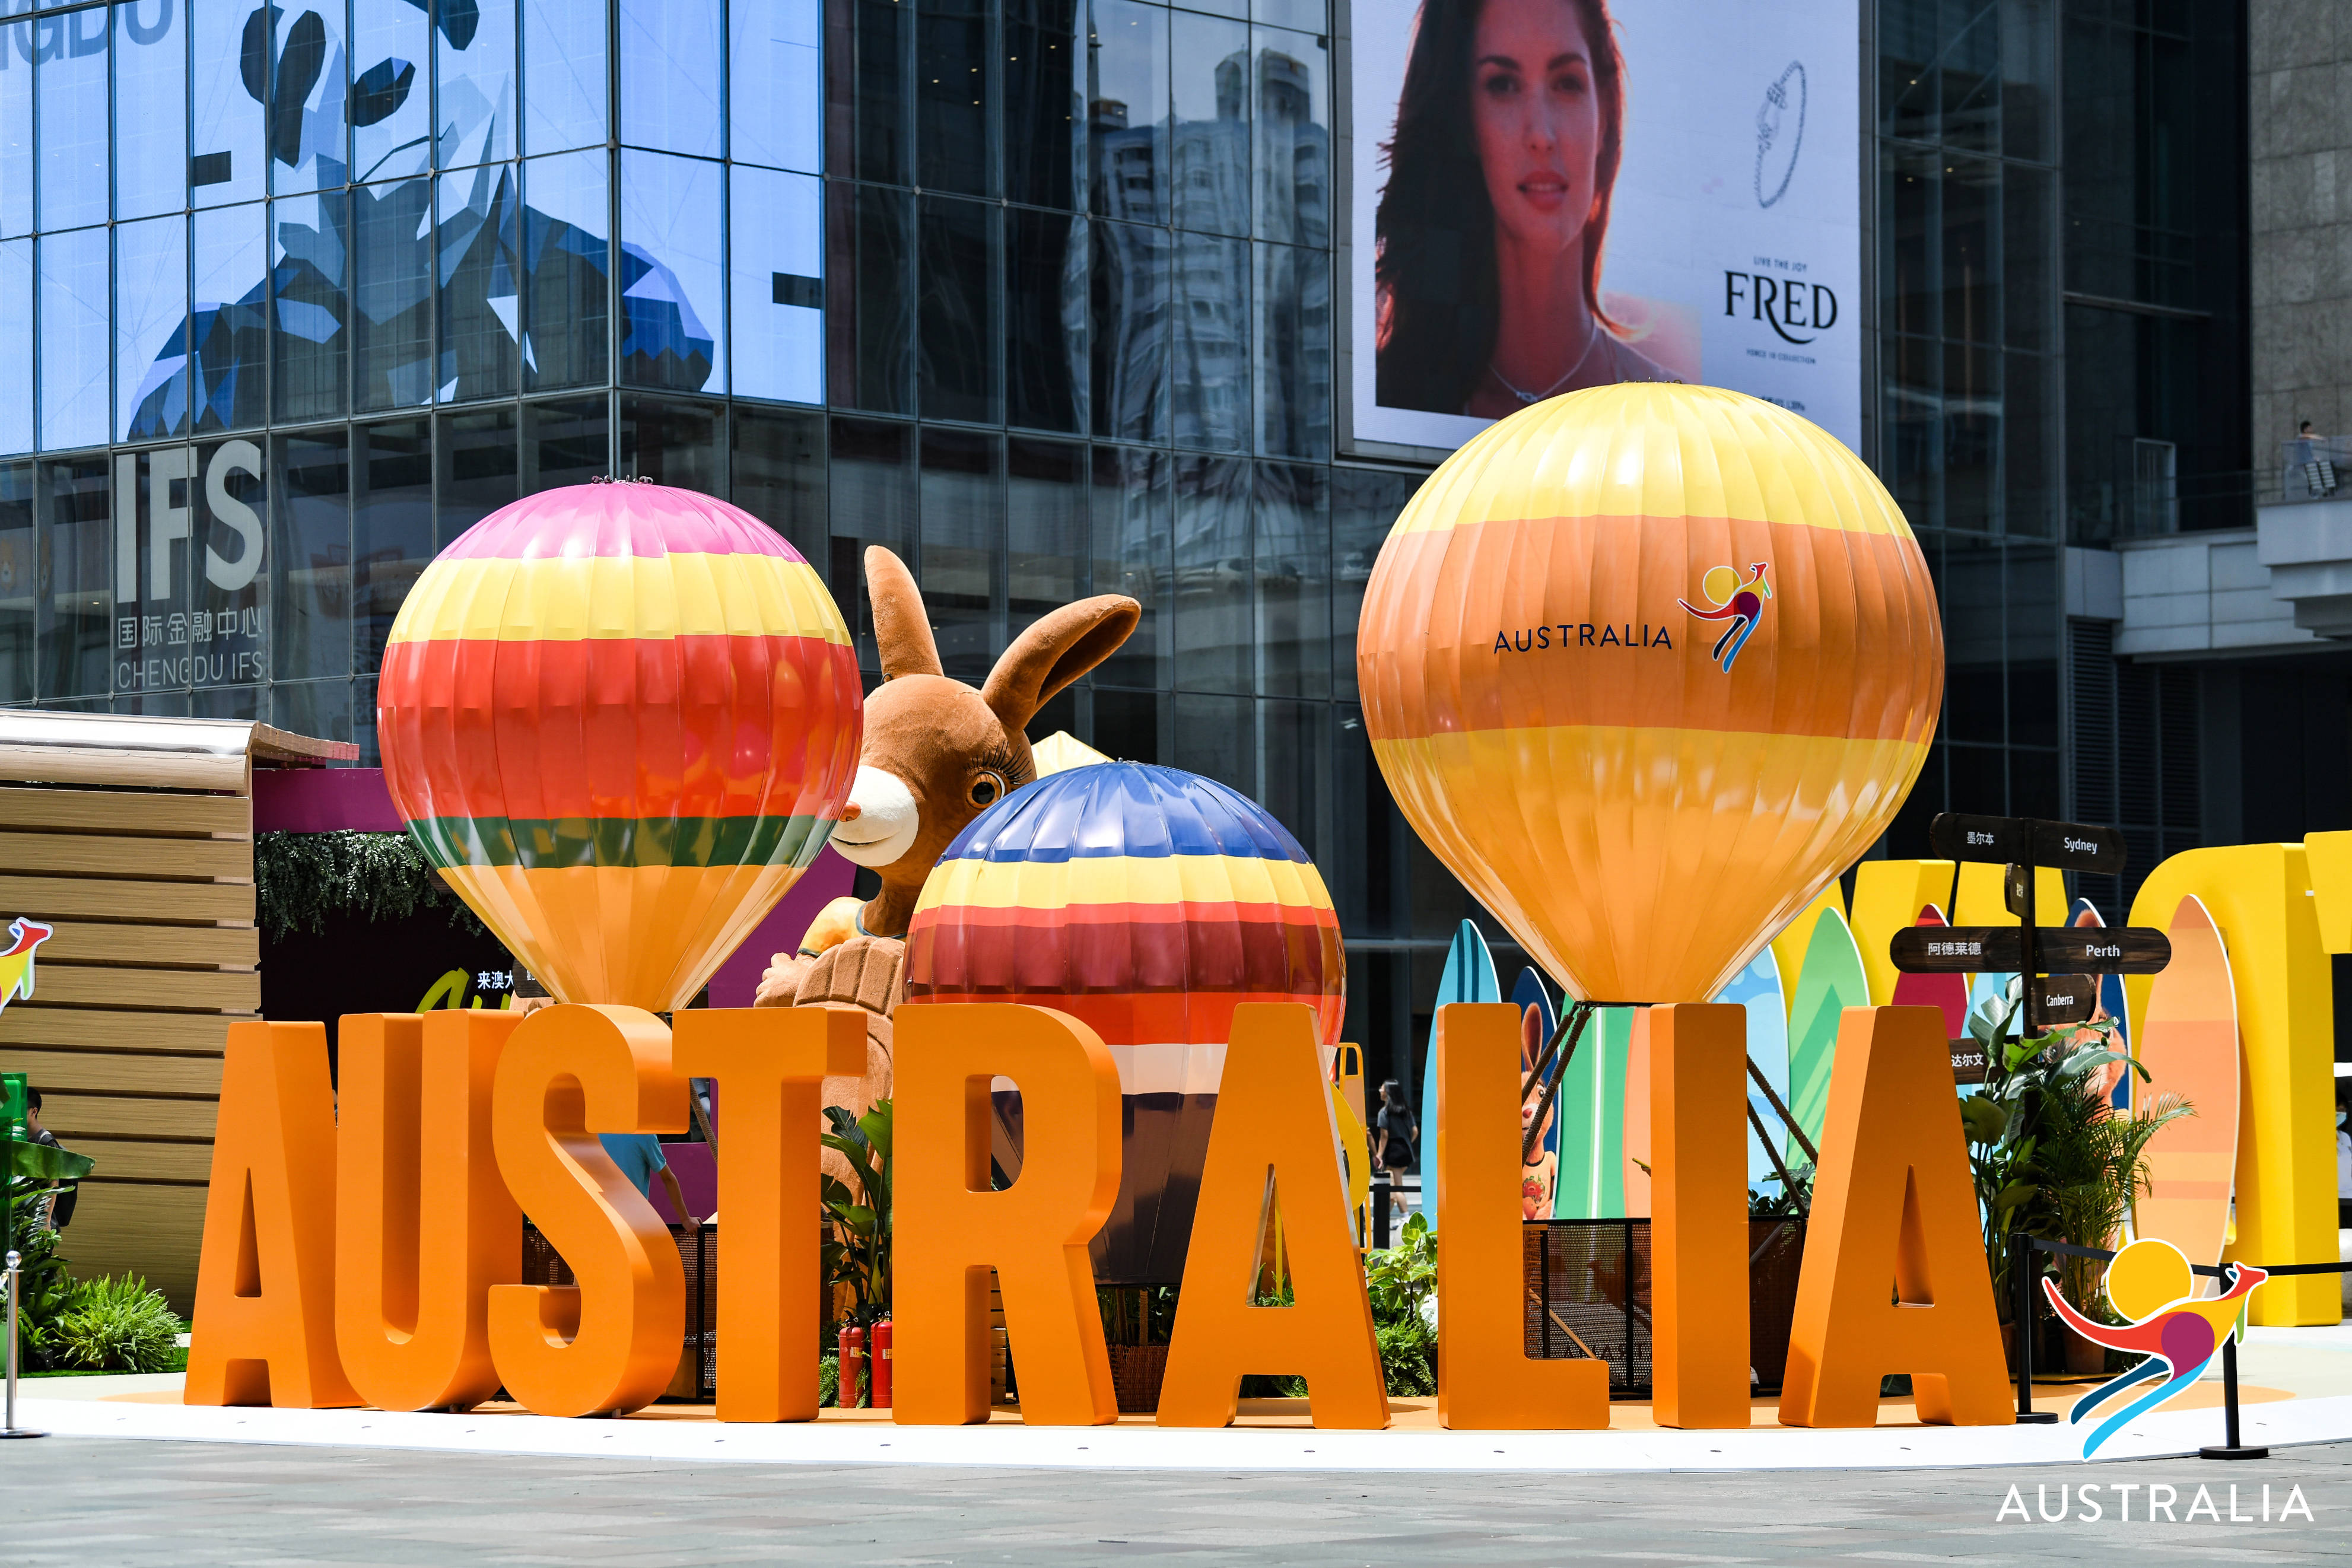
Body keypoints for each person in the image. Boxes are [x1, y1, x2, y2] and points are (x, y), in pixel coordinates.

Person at [1375, 0, 1668, 417]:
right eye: (1503, 85)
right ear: (1466, 124)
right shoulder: (1398, 398)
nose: (1542, 135)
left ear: (1604, 116)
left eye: (1567, 83)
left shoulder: (1670, 415)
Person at [599, 1133, 701, 1238]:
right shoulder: (644, 1134)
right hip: (634, 1225)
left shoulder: (595, 1131)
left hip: (600, 1218)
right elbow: (668, 1178)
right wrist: (686, 1219)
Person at [22, 1089, 77, 1231]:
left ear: (33, 1112)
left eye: (21, 1109)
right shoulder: (20, 1138)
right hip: (23, 1217)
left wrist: (45, 1222)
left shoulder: (47, 1142)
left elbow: (53, 1183)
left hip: (39, 1219)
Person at [1373, 1080, 1419, 1181]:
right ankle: (1392, 1197)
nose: (1380, 1091)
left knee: (1398, 1187)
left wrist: (1379, 1155)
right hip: (1407, 1151)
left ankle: (1398, 1196)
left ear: (1388, 1093)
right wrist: (1407, 1143)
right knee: (1390, 1182)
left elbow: (1384, 1136)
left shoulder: (1384, 1113)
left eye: (1382, 1089)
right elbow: (1415, 1131)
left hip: (1394, 1153)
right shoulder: (1406, 1111)